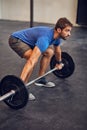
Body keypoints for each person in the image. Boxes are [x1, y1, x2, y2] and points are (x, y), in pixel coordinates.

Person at [8, 17, 73, 100]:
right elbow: (31, 62)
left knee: (49, 52)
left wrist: (59, 62)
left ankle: (40, 79)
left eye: (69, 31)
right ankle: (23, 86)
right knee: (32, 59)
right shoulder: (44, 39)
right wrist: (18, 84)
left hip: (30, 42)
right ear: (59, 30)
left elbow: (57, 51)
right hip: (17, 40)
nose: (69, 34)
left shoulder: (56, 37)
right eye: (67, 30)